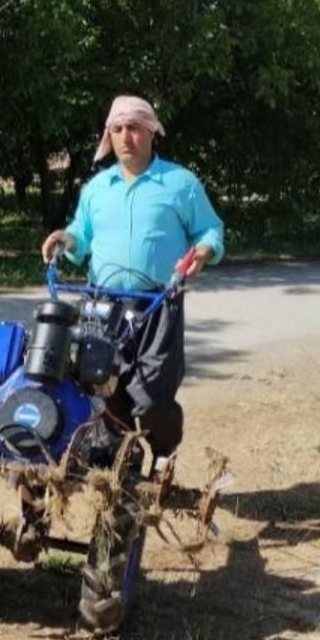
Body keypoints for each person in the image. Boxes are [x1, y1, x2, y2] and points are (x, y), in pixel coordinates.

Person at [40, 94, 224, 459]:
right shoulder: (97, 188)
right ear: (110, 135)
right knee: (99, 385)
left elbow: (210, 230)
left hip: (157, 303)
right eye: (118, 129)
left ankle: (161, 454)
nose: (127, 137)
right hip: (101, 304)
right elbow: (81, 235)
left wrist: (204, 251)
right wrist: (66, 239)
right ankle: (115, 465)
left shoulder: (179, 183)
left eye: (135, 128)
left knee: (152, 395)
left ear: (151, 132)